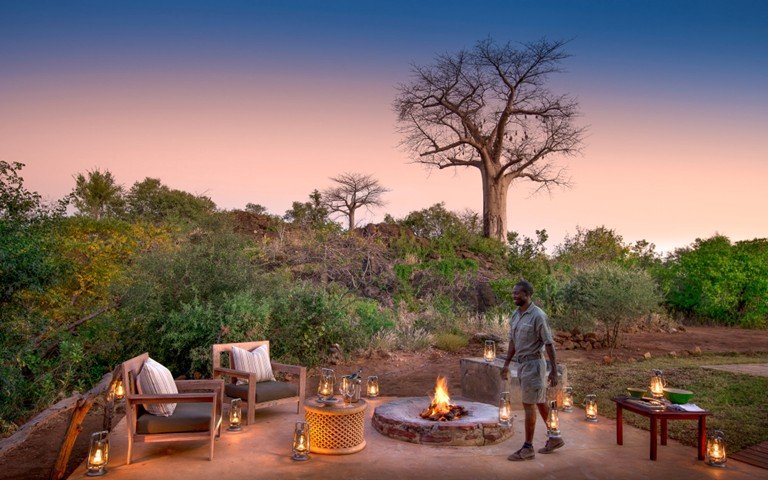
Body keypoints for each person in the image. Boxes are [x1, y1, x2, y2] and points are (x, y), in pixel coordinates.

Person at [500, 280, 564, 461]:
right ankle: (555, 437)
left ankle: (528, 448)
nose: (514, 296)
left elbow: (549, 344)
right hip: (522, 365)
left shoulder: (538, 316)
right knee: (540, 401)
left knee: (529, 405)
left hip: (534, 365)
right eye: (513, 292)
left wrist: (553, 370)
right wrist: (506, 364)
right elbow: (513, 342)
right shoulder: (516, 315)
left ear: (528, 295)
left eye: (517, 293)